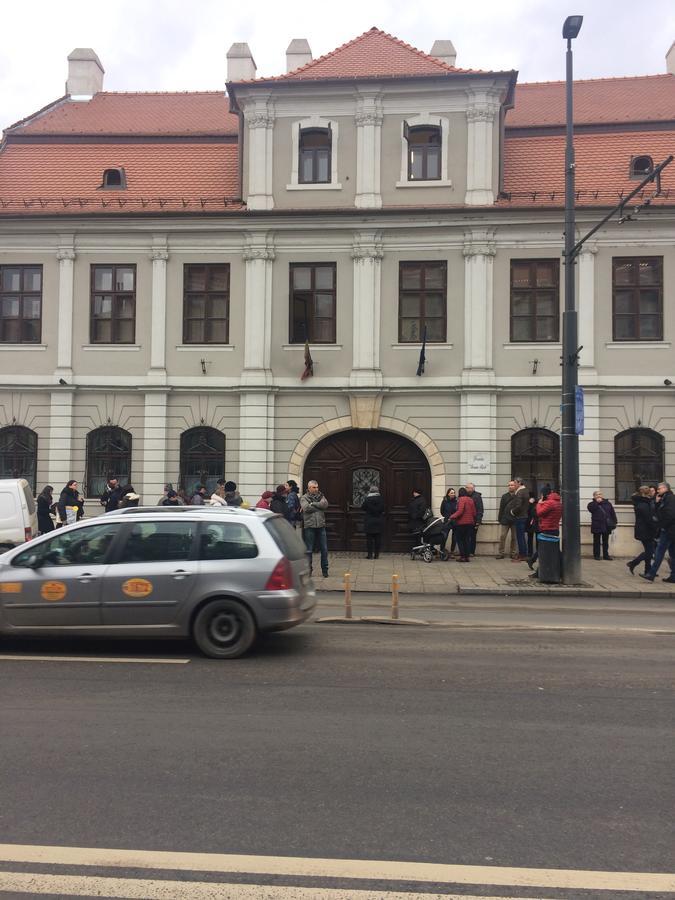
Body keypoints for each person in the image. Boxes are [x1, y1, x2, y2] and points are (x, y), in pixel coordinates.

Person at [640, 482, 675, 583]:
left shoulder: (670, 498)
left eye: (659, 489)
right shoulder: (664, 498)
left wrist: (662, 525)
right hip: (670, 530)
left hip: (668, 530)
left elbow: (669, 514)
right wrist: (657, 502)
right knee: (673, 553)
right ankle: (673, 576)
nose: (657, 491)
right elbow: (659, 511)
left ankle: (651, 573)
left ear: (665, 488)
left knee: (659, 551)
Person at [530, 487, 562, 578]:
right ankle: (539, 571)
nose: (540, 497)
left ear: (544, 495)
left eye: (541, 495)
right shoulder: (557, 502)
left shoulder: (550, 503)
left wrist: (539, 504)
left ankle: (542, 572)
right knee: (549, 552)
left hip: (547, 529)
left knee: (546, 552)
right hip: (554, 528)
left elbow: (539, 512)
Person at [627, 485, 658, 576]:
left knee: (648, 550)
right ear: (646, 494)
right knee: (650, 551)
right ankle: (633, 563)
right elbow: (648, 519)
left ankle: (647, 570)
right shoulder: (643, 504)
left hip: (643, 530)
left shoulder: (641, 502)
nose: (653, 493)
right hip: (646, 530)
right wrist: (655, 527)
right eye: (651, 492)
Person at [300, 480, 329, 577]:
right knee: (309, 550)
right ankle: (309, 570)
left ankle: (325, 570)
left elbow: (325, 505)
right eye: (314, 487)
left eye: (317, 487)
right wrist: (318, 506)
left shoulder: (321, 496)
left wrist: (313, 504)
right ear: (309, 488)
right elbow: (306, 508)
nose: (316, 489)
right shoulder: (304, 497)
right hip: (310, 526)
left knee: (324, 549)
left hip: (321, 526)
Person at [587, 490, 617, 560]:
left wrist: (614, 522)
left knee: (605, 541)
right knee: (596, 541)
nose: (599, 496)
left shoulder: (608, 503)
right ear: (594, 496)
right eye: (597, 494)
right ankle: (597, 555)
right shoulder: (591, 504)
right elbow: (591, 509)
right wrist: (597, 503)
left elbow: (612, 513)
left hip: (606, 525)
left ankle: (606, 555)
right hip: (597, 525)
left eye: (600, 494)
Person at [449, 487, 476, 562]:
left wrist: (452, 516)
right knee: (467, 540)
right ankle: (467, 557)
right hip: (470, 523)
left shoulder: (461, 500)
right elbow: (474, 512)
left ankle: (463, 556)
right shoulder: (471, 500)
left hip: (462, 523)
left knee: (460, 539)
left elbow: (460, 511)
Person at [361, 485, 385, 559]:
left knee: (369, 539)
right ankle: (376, 555)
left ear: (370, 491)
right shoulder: (381, 499)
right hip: (378, 520)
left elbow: (363, 507)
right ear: (377, 491)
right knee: (378, 538)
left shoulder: (367, 499)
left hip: (369, 520)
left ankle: (370, 555)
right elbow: (383, 508)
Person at [510, 477, 530, 561]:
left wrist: (512, 512)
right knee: (521, 536)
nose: (514, 485)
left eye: (515, 483)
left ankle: (522, 555)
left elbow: (518, 506)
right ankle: (523, 553)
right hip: (524, 515)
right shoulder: (526, 491)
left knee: (520, 536)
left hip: (520, 517)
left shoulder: (520, 492)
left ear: (519, 483)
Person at [496, 481, 517, 559]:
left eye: (512, 485)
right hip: (505, 519)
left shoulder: (517, 495)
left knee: (514, 537)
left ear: (515, 486)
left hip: (514, 519)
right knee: (502, 536)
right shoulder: (504, 496)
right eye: (509, 485)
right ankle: (501, 553)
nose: (510, 486)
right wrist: (500, 518)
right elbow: (501, 508)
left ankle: (513, 553)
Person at [465, 483, 483, 555]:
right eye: (466, 487)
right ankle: (465, 551)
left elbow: (480, 509)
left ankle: (471, 552)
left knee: (472, 537)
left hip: (474, 520)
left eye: (468, 488)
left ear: (473, 488)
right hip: (465, 520)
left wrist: (478, 521)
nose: (467, 489)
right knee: (466, 536)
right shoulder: (465, 495)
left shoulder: (477, 496)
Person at [440, 488, 458, 557]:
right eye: (451, 493)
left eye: (453, 493)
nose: (453, 494)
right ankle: (442, 550)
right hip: (447, 521)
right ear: (448, 494)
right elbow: (442, 511)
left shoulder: (456, 501)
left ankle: (452, 552)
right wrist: (446, 517)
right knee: (444, 536)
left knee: (454, 537)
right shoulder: (444, 501)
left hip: (455, 521)